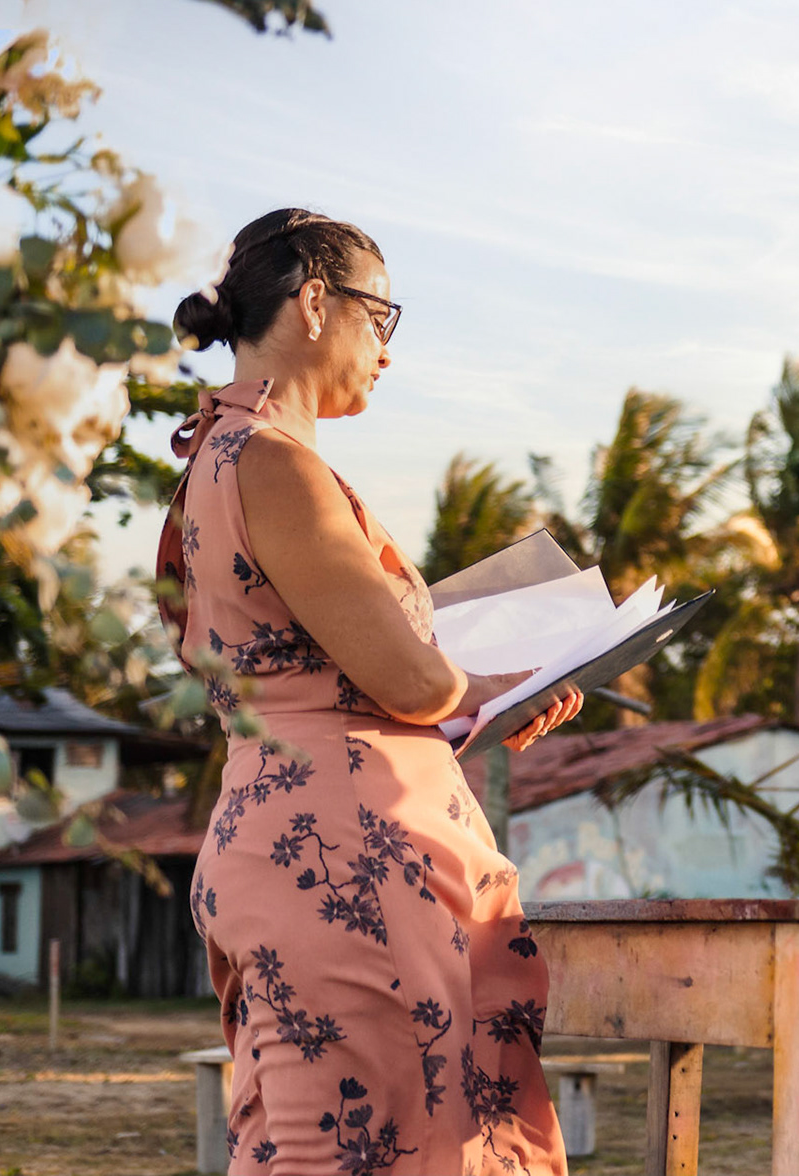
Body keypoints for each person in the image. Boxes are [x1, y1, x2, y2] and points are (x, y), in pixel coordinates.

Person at [160, 209, 583, 1175]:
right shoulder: (273, 462)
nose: (388, 351)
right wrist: (496, 681)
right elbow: (409, 679)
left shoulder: (220, 460)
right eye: (381, 318)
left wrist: (463, 690)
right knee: (386, 1144)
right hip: (344, 858)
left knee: (350, 1139)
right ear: (316, 301)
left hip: (306, 833)